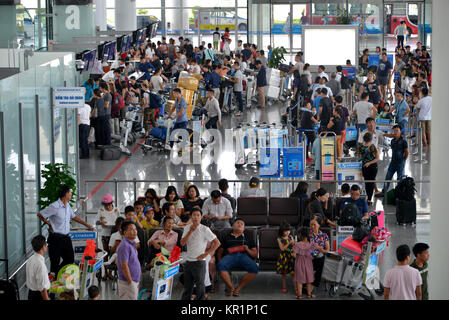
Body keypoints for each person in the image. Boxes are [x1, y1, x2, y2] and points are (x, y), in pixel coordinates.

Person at [37, 185, 94, 274]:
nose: (71, 194)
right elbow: (40, 214)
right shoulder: (55, 206)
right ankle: (54, 281)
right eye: (70, 192)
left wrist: (87, 225)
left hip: (66, 238)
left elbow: (74, 217)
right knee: (55, 262)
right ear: (65, 194)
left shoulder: (67, 205)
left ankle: (58, 274)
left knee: (70, 259)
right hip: (55, 238)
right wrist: (49, 223)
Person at [180, 208, 220, 300]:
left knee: (200, 286)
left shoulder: (205, 229)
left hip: (199, 261)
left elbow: (217, 243)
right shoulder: (187, 228)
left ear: (201, 217)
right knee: (188, 286)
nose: (196, 217)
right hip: (189, 260)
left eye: (198, 215)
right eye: (194, 215)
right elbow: (182, 243)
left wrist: (206, 254)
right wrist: (190, 231)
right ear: (191, 216)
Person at [217, 218, 258, 297]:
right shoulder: (227, 237)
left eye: (242, 224)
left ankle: (238, 288)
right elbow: (220, 252)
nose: (239, 224)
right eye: (237, 223)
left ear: (244, 228)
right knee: (220, 266)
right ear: (233, 226)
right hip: (229, 256)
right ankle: (231, 287)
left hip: (243, 256)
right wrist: (219, 261)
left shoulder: (248, 237)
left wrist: (247, 249)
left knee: (254, 268)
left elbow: (255, 254)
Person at [381, 124, 409, 195]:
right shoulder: (392, 141)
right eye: (394, 131)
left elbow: (406, 152)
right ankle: (384, 192)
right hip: (392, 163)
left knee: (399, 179)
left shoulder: (403, 141)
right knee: (388, 177)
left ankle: (399, 193)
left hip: (400, 163)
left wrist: (403, 160)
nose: (396, 132)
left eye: (397, 130)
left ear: (400, 131)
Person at [116, 221, 141, 300]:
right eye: (131, 229)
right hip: (127, 283)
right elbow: (124, 266)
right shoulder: (124, 246)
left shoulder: (132, 244)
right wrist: (130, 283)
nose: (134, 231)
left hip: (133, 281)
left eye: (135, 229)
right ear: (125, 232)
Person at [357, 132, 380, 205]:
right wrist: (370, 163)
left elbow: (359, 157)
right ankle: (370, 198)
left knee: (367, 182)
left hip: (364, 167)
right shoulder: (373, 147)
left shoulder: (360, 147)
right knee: (372, 182)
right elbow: (377, 158)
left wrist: (366, 162)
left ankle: (368, 197)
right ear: (371, 139)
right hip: (373, 167)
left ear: (363, 139)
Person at [293, 228, 316, 299]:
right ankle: (309, 295)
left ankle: (299, 295)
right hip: (308, 264)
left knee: (299, 280)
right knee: (308, 280)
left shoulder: (297, 244)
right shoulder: (311, 245)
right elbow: (313, 254)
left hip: (299, 263)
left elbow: (294, 255)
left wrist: (297, 255)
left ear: (301, 235)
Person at [26, 235, 50, 300]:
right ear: (43, 247)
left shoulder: (30, 259)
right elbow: (42, 288)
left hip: (31, 293)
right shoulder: (40, 264)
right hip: (39, 296)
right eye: (46, 244)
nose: (47, 246)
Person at [309, 216, 330, 290]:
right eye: (311, 224)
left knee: (321, 262)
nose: (312, 226)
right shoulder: (308, 235)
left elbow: (327, 250)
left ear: (319, 225)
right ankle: (306, 285)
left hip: (319, 256)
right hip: (308, 256)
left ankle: (313, 285)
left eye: (314, 224)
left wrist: (321, 250)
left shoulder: (324, 235)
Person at [276, 223, 296, 295]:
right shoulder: (279, 239)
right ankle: (284, 287)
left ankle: (296, 289)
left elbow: (294, 246)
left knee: (293, 274)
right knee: (284, 275)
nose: (288, 232)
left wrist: (293, 243)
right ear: (282, 231)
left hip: (291, 256)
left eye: (289, 230)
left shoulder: (291, 237)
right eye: (286, 231)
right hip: (283, 257)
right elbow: (282, 249)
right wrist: (289, 243)